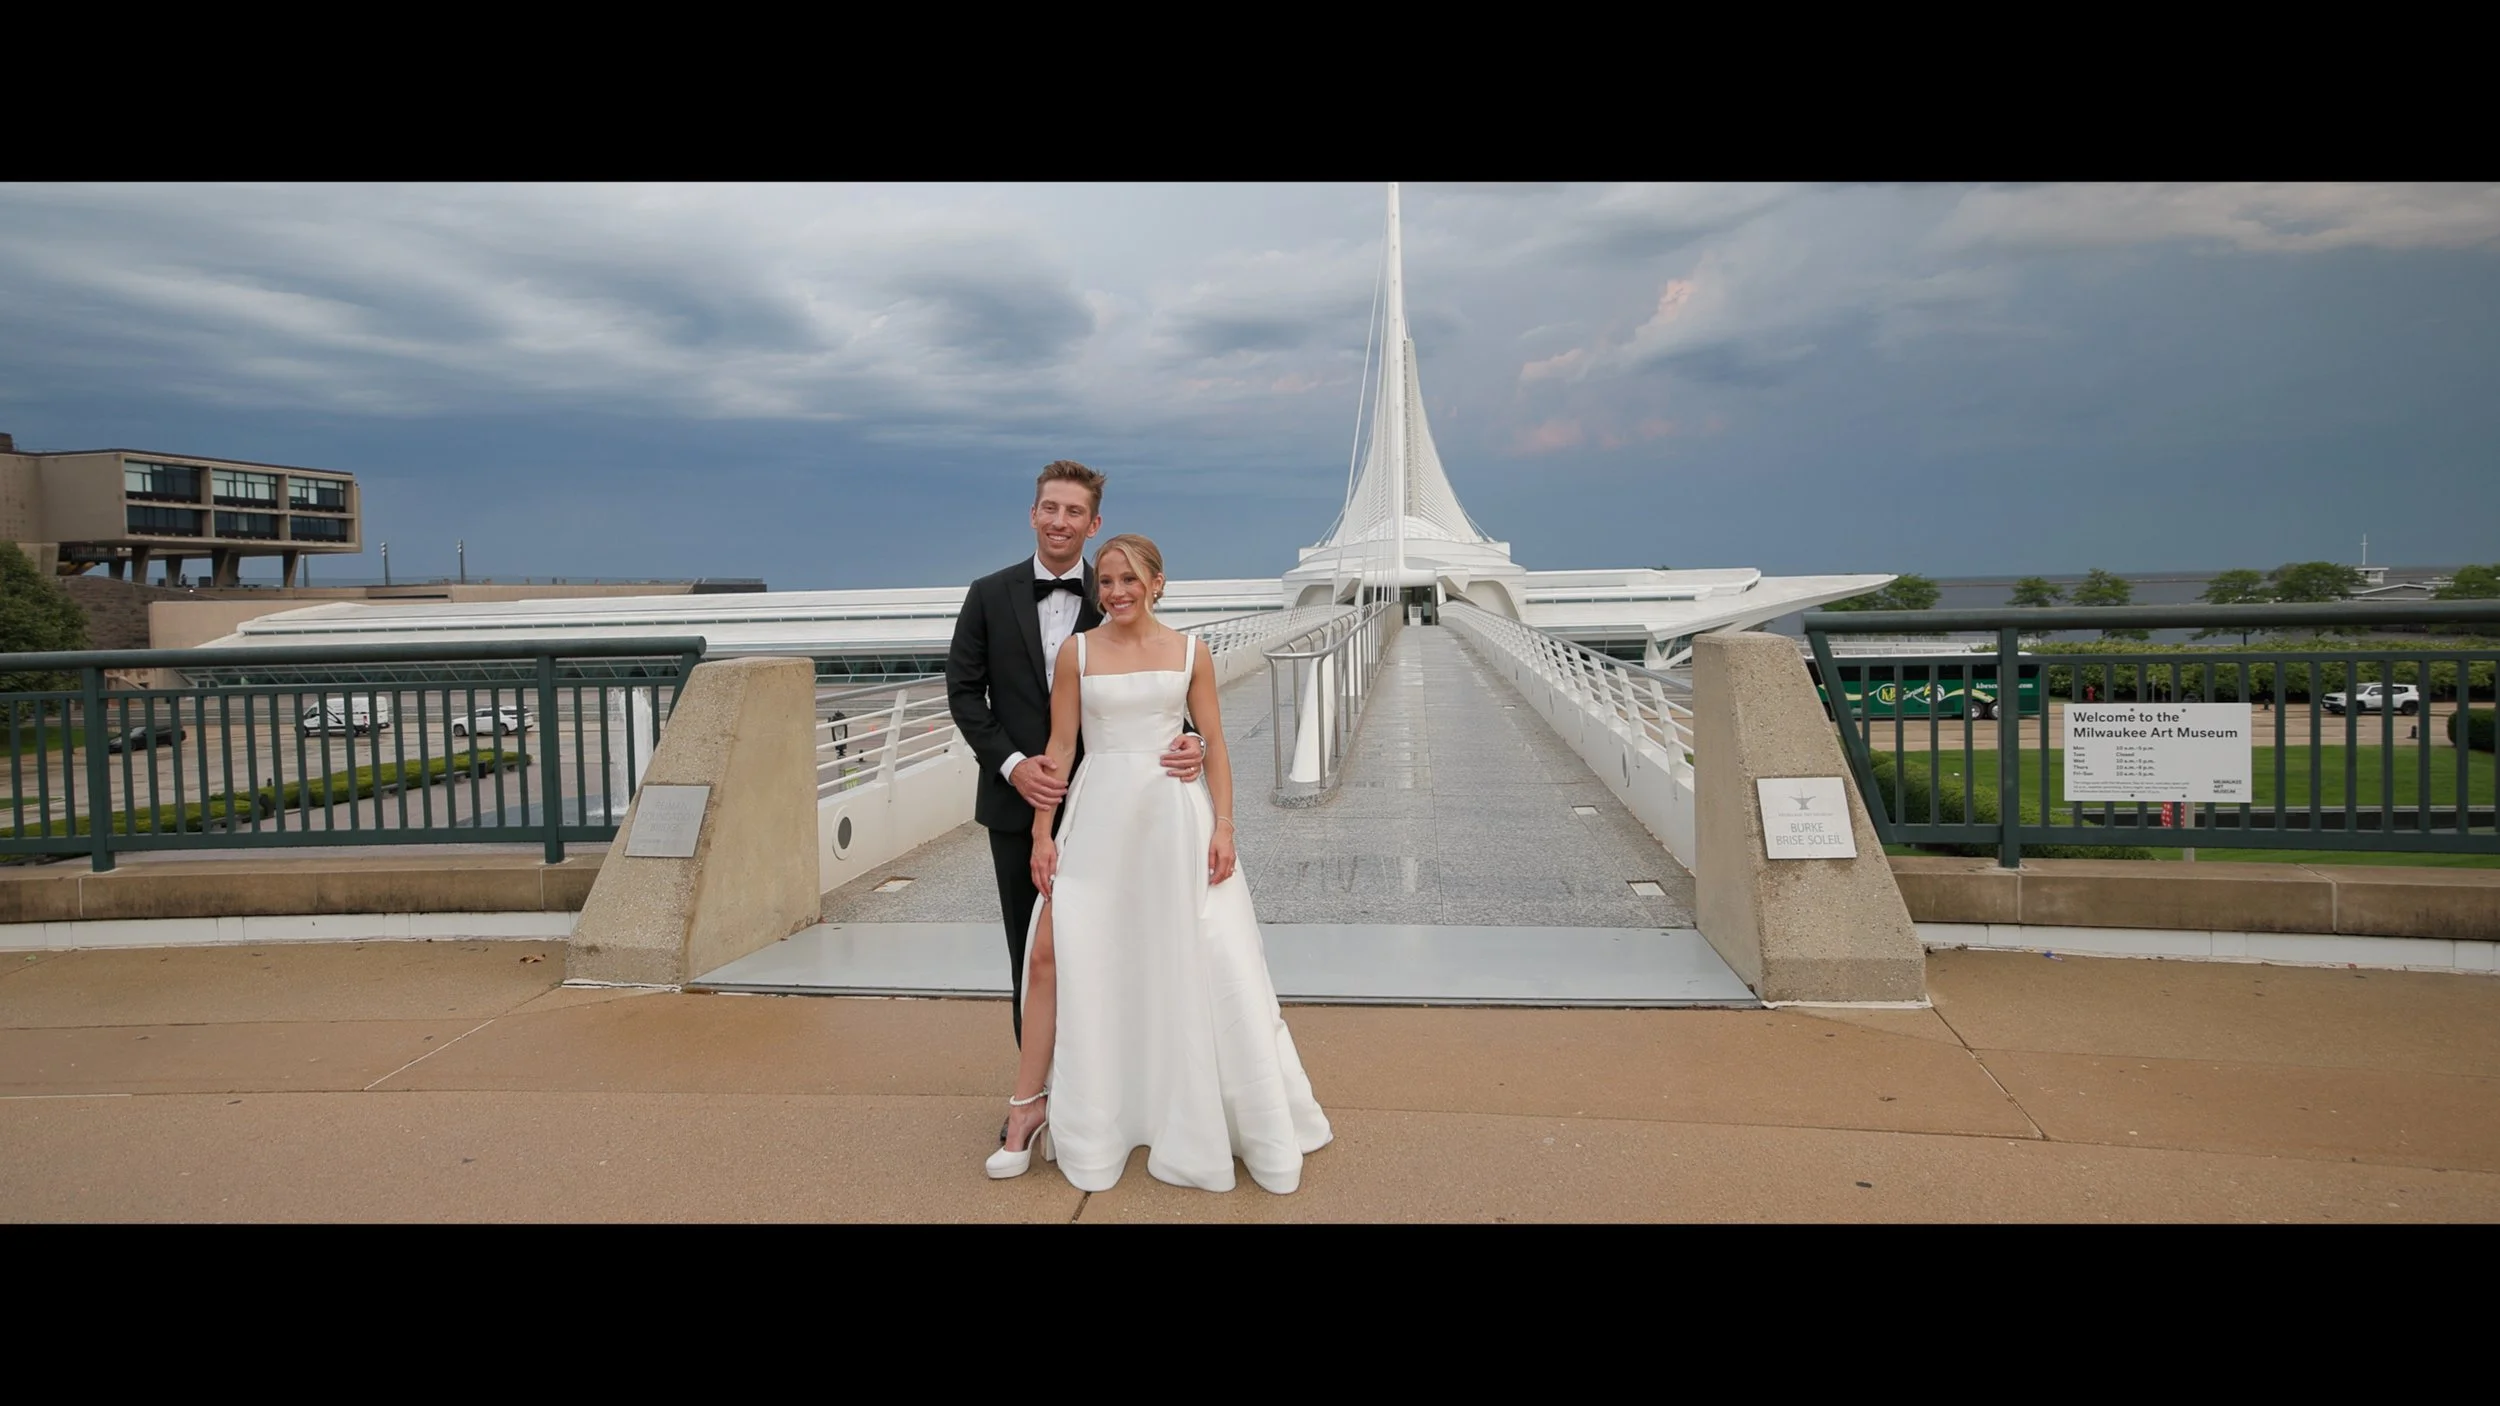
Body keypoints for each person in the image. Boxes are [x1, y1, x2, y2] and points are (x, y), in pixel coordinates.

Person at [984, 534, 1331, 1194]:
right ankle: (1030, 1108)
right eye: (1105, 581)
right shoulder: (1076, 653)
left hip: (1174, 820)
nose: (1114, 592)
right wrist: (1041, 834)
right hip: (1097, 819)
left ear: (1158, 582)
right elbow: (1058, 747)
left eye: (1127, 579)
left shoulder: (1191, 652)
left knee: (1198, 956)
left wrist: (1224, 826)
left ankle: (1186, 1107)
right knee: (1050, 954)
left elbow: (1216, 742)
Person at [944, 462, 1204, 1059]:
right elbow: (963, 691)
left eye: (1074, 512)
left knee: (1113, 946)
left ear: (1094, 524)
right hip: (1017, 808)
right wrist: (1013, 764)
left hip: (1110, 806)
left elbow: (1154, 683)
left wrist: (1197, 740)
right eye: (1051, 508)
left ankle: (1105, 1085)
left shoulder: (1117, 589)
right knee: (1032, 951)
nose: (1061, 521)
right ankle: (1039, 1096)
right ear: (1033, 514)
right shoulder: (987, 594)